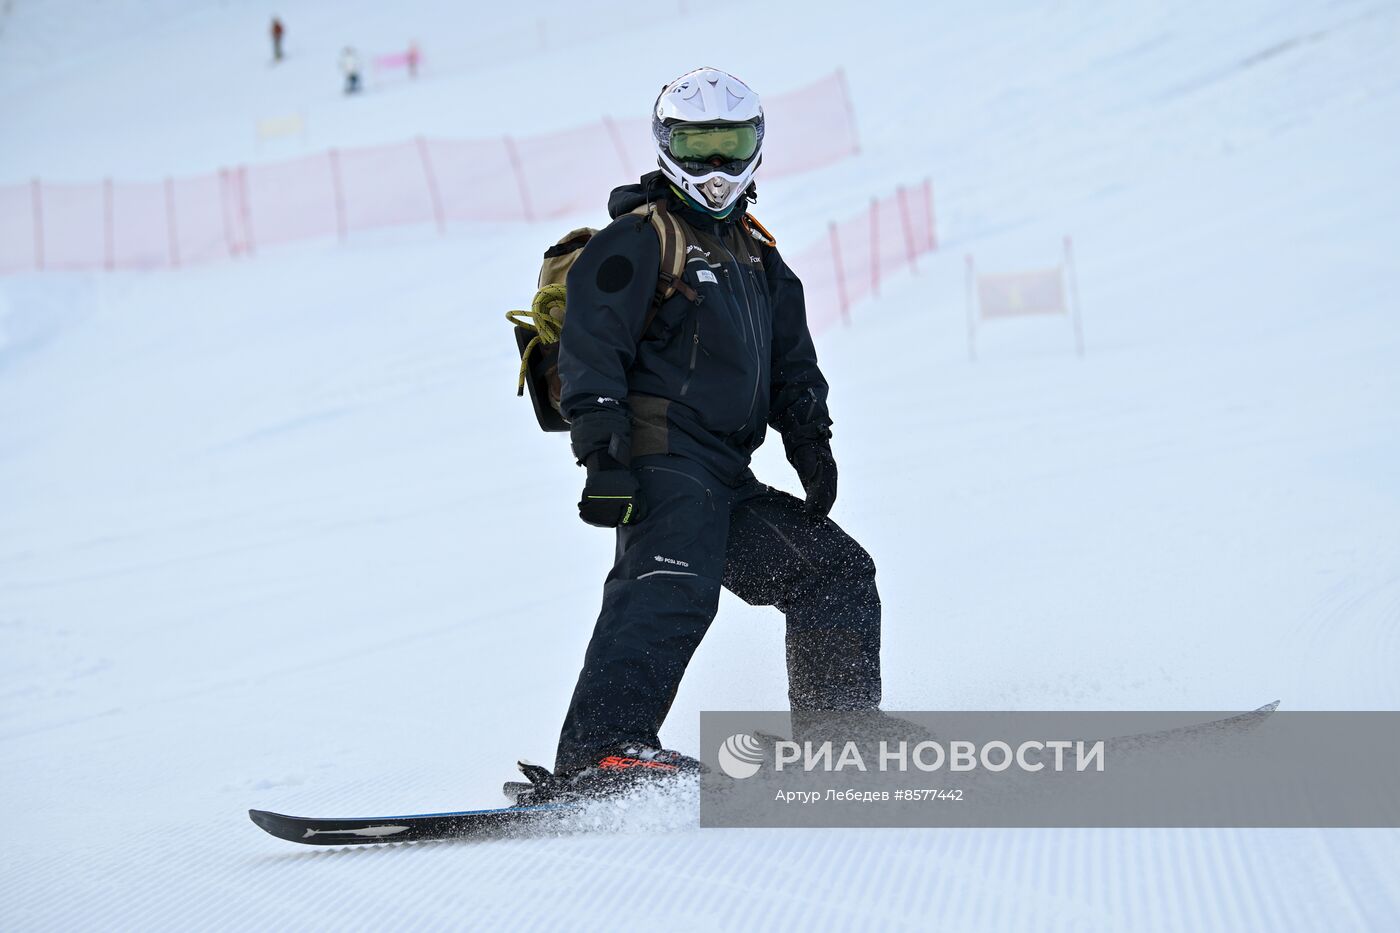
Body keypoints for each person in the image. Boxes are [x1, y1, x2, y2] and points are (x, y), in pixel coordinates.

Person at [525, 67, 882, 801]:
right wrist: (602, 455)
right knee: (670, 585)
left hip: (726, 472)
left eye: (730, 145)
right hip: (658, 456)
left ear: (756, 146)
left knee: (834, 572)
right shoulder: (637, 240)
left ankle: (840, 736)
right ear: (667, 147)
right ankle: (601, 754)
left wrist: (811, 439)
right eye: (698, 146)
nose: (715, 167)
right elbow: (594, 348)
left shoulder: (759, 255)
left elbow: (793, 364)